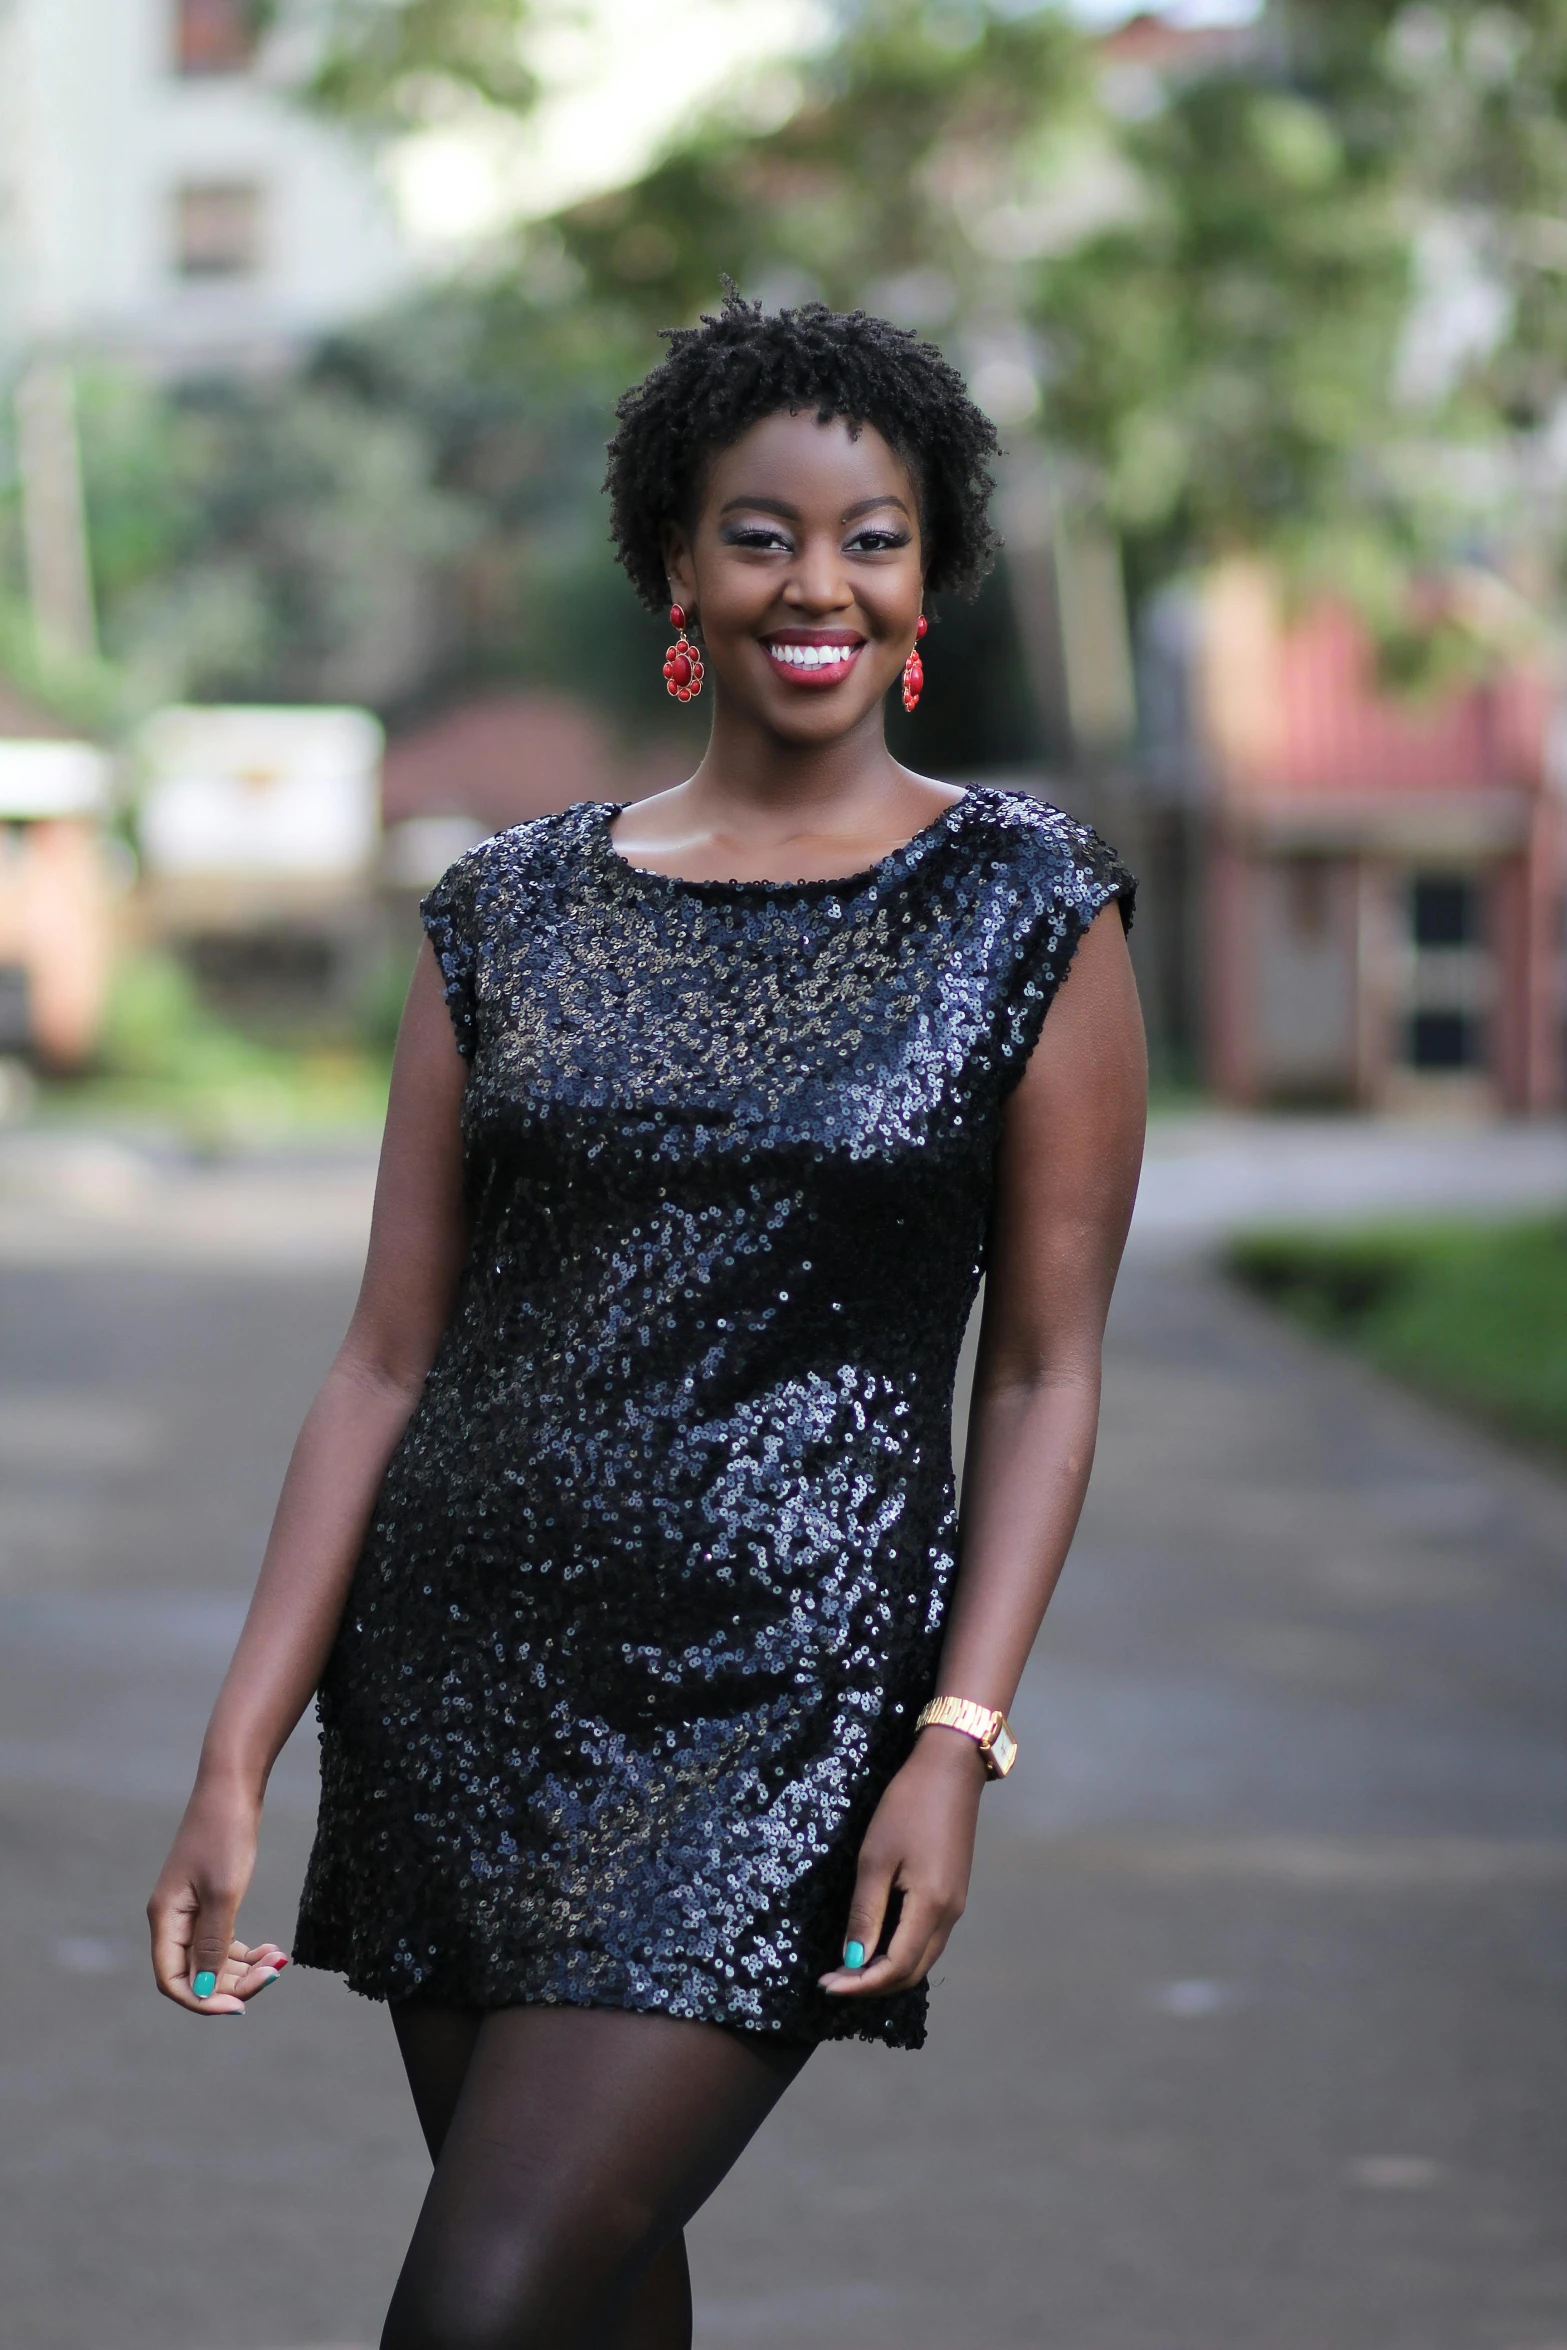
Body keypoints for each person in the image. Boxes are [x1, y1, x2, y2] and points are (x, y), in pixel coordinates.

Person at [147, 291, 1146, 2350]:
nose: (817, 582)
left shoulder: (1027, 906)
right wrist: (240, 1743)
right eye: (760, 530)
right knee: (593, 2296)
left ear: (927, 571)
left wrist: (954, 1738)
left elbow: (1044, 1367)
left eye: (870, 534)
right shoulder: (506, 907)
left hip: (781, 1708)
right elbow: (385, 1358)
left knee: (480, 2302)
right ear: (676, 564)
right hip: (460, 1682)